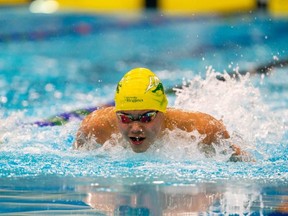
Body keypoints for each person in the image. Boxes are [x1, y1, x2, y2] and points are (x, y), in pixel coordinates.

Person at [74, 67, 251, 161]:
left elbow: (244, 164)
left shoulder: (201, 129)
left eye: (146, 117)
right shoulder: (95, 128)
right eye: (126, 118)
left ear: (162, 111)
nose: (135, 128)